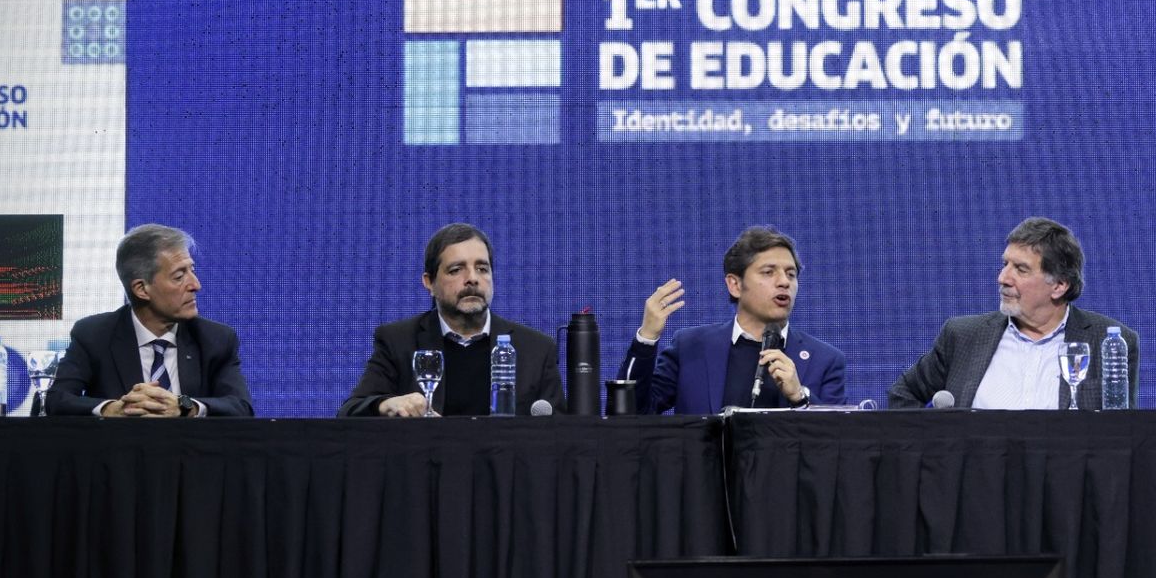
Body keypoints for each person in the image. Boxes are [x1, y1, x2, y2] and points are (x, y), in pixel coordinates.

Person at [889, 217, 1139, 409]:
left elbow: (1120, 433)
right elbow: (903, 394)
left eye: (1021, 269)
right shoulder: (964, 336)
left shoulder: (1107, 341)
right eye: (1005, 264)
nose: (1003, 278)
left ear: (1059, 285)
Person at [338, 223, 564, 417]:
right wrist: (385, 404)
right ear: (429, 282)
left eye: (482, 269)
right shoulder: (398, 342)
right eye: (456, 270)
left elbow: (562, 434)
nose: (472, 279)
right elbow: (349, 411)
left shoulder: (536, 349)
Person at [620, 225, 846, 414]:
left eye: (791, 274)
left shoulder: (824, 360)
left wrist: (800, 397)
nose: (784, 282)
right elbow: (631, 413)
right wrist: (646, 338)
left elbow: (841, 442)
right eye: (769, 272)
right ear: (735, 285)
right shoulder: (690, 347)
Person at [46, 224, 254, 417]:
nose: (195, 284)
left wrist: (184, 406)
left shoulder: (215, 339)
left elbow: (240, 406)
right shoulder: (94, 335)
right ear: (142, 289)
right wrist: (113, 409)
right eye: (179, 276)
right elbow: (57, 400)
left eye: (192, 270)